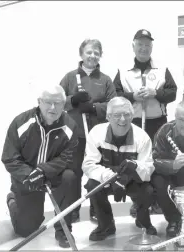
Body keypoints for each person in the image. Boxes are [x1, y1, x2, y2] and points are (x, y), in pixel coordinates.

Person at [2, 84, 78, 248]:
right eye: (48, 102)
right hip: (27, 178)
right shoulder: (21, 122)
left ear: (64, 105)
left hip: (54, 175)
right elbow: (9, 158)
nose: (53, 107)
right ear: (39, 102)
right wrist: (29, 175)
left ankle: (63, 230)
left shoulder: (70, 126)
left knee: (69, 177)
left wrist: (44, 170)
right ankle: (12, 201)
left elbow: (68, 157)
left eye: (58, 103)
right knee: (26, 229)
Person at [113, 29, 177, 217]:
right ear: (133, 46)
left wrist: (155, 93)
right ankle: (138, 201)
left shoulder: (162, 69)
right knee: (135, 161)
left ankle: (157, 200)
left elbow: (172, 93)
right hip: (131, 123)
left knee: (156, 161)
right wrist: (132, 96)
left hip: (157, 123)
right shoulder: (123, 70)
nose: (144, 48)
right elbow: (115, 95)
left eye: (147, 45)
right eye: (140, 44)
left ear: (151, 47)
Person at [82, 97, 157, 241]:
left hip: (132, 181)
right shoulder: (96, 133)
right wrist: (112, 178)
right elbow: (89, 165)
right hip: (107, 179)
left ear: (132, 115)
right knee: (92, 185)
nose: (122, 119)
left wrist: (134, 168)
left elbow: (147, 171)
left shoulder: (142, 137)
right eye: (117, 115)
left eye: (127, 114)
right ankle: (106, 225)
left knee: (147, 190)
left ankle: (143, 220)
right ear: (108, 116)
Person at [60, 39, 117, 223]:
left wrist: (93, 108)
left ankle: (96, 208)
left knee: (96, 171)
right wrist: (73, 100)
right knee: (74, 173)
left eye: (96, 52)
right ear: (81, 54)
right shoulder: (70, 77)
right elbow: (57, 101)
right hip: (75, 136)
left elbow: (113, 104)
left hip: (98, 136)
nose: (92, 56)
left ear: (100, 55)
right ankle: (74, 209)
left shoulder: (105, 80)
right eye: (89, 52)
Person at [152, 100, 184, 238]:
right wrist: (172, 165)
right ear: (175, 118)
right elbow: (154, 161)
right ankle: (173, 220)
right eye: (181, 120)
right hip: (172, 178)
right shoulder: (165, 131)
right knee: (157, 180)